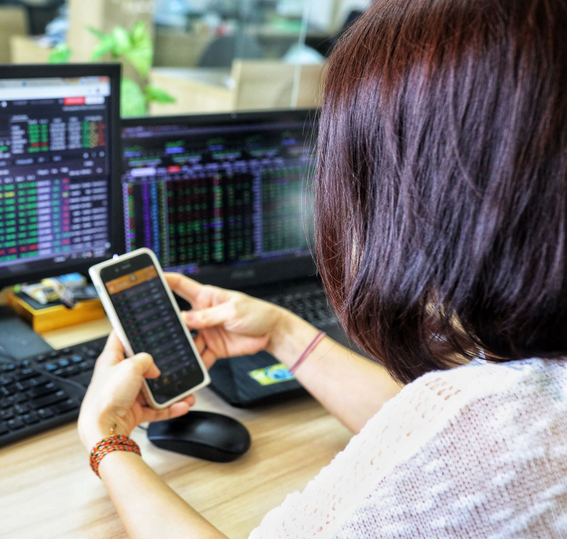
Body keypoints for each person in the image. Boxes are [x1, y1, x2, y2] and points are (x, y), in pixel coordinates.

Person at [77, 0, 567, 536]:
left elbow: (468, 438)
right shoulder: (525, 400)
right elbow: (439, 441)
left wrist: (108, 441)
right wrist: (284, 332)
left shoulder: (509, 426)